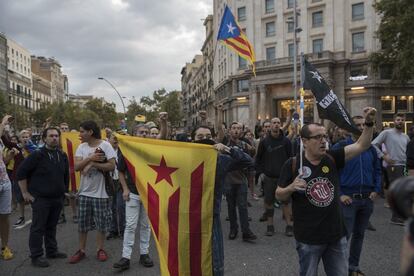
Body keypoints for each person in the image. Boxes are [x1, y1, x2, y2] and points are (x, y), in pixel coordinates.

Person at [276, 107, 377, 276]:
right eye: (317, 137)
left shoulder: (332, 157)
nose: (323, 141)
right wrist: (291, 187)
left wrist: (369, 122)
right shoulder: (293, 164)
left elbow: (362, 144)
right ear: (305, 141)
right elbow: (279, 194)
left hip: (336, 236)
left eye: (324, 136)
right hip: (308, 239)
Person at [192, 125, 254, 275]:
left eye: (208, 136)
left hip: (211, 216)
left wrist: (227, 149)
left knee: (215, 261)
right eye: (200, 137)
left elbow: (248, 162)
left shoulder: (220, 160)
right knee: (190, 259)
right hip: (187, 216)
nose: (205, 139)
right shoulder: (181, 158)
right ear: (192, 139)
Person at [332, 115, 381, 276]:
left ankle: (353, 268)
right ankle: (341, 269)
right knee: (344, 237)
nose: (361, 127)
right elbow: (332, 173)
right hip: (348, 199)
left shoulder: (371, 149)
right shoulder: (341, 147)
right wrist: (340, 194)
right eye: (357, 125)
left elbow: (378, 171)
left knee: (359, 236)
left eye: (363, 124)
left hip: (367, 199)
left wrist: (376, 189)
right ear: (350, 128)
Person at [17, 127, 69, 267]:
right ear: (44, 138)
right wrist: (25, 193)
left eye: (56, 136)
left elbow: (65, 175)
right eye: (51, 136)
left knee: (51, 226)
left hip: (57, 198)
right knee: (38, 228)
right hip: (41, 199)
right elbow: (21, 173)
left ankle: (52, 251)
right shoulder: (37, 155)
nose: (54, 138)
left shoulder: (62, 155)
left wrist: (64, 191)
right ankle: (36, 255)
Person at [69, 120, 116, 264]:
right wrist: (90, 158)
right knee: (82, 225)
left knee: (101, 225)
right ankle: (81, 250)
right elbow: (76, 167)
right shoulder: (81, 147)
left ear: (90, 132)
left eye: (82, 131)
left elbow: (112, 166)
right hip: (84, 193)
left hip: (102, 194)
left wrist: (93, 164)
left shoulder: (106, 145)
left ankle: (100, 249)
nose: (80, 134)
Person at [113, 124, 155, 270]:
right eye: (141, 132)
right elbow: (121, 172)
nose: (144, 134)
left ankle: (144, 254)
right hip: (133, 192)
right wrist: (125, 189)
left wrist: (163, 124)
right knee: (130, 225)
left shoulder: (152, 148)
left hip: (149, 193)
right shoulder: (126, 150)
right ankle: (126, 257)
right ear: (134, 134)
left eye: (147, 132)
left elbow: (164, 138)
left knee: (145, 225)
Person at [255, 117, 293, 237]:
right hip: (269, 177)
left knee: (286, 203)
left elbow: (291, 158)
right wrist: (260, 173)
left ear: (280, 125)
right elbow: (258, 159)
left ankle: (289, 226)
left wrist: (290, 175)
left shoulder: (286, 141)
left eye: (278, 123)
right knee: (269, 202)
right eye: (274, 123)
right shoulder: (264, 142)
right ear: (270, 126)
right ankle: (270, 226)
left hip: (284, 178)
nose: (276, 125)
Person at [372, 113, 410, 225]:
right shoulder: (387, 133)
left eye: (402, 120)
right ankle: (396, 217)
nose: (400, 121)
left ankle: (401, 215)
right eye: (398, 119)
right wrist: (384, 156)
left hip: (404, 166)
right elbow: (373, 144)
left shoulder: (405, 136)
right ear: (394, 121)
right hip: (393, 166)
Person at [224, 122, 257, 242]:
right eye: (234, 128)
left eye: (238, 128)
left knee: (243, 207)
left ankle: (246, 232)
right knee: (231, 206)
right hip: (229, 179)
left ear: (242, 131)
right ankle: (233, 230)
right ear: (229, 130)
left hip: (242, 179)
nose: (236, 130)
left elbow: (252, 156)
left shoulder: (245, 144)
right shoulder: (225, 143)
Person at [1, 129, 32, 228]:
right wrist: (3, 129)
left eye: (27, 137)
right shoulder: (15, 147)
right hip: (18, 175)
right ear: (19, 139)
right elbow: (6, 142)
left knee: (32, 196)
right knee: (20, 198)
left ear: (29, 138)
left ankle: (35, 216)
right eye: (23, 137)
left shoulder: (33, 148)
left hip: (30, 176)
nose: (25, 139)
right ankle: (22, 217)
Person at [106, 134, 125, 240]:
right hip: (110, 180)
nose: (115, 140)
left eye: (117, 138)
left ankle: (122, 230)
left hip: (120, 181)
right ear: (108, 140)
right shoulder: (105, 152)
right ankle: (113, 230)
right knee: (111, 207)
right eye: (113, 138)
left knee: (120, 206)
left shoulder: (123, 151)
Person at [0, 115, 14, 260]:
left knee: (4, 216)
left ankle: (4, 247)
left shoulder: (1, 142)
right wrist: (3, 122)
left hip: (4, 182)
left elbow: (2, 161)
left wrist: (9, 156)